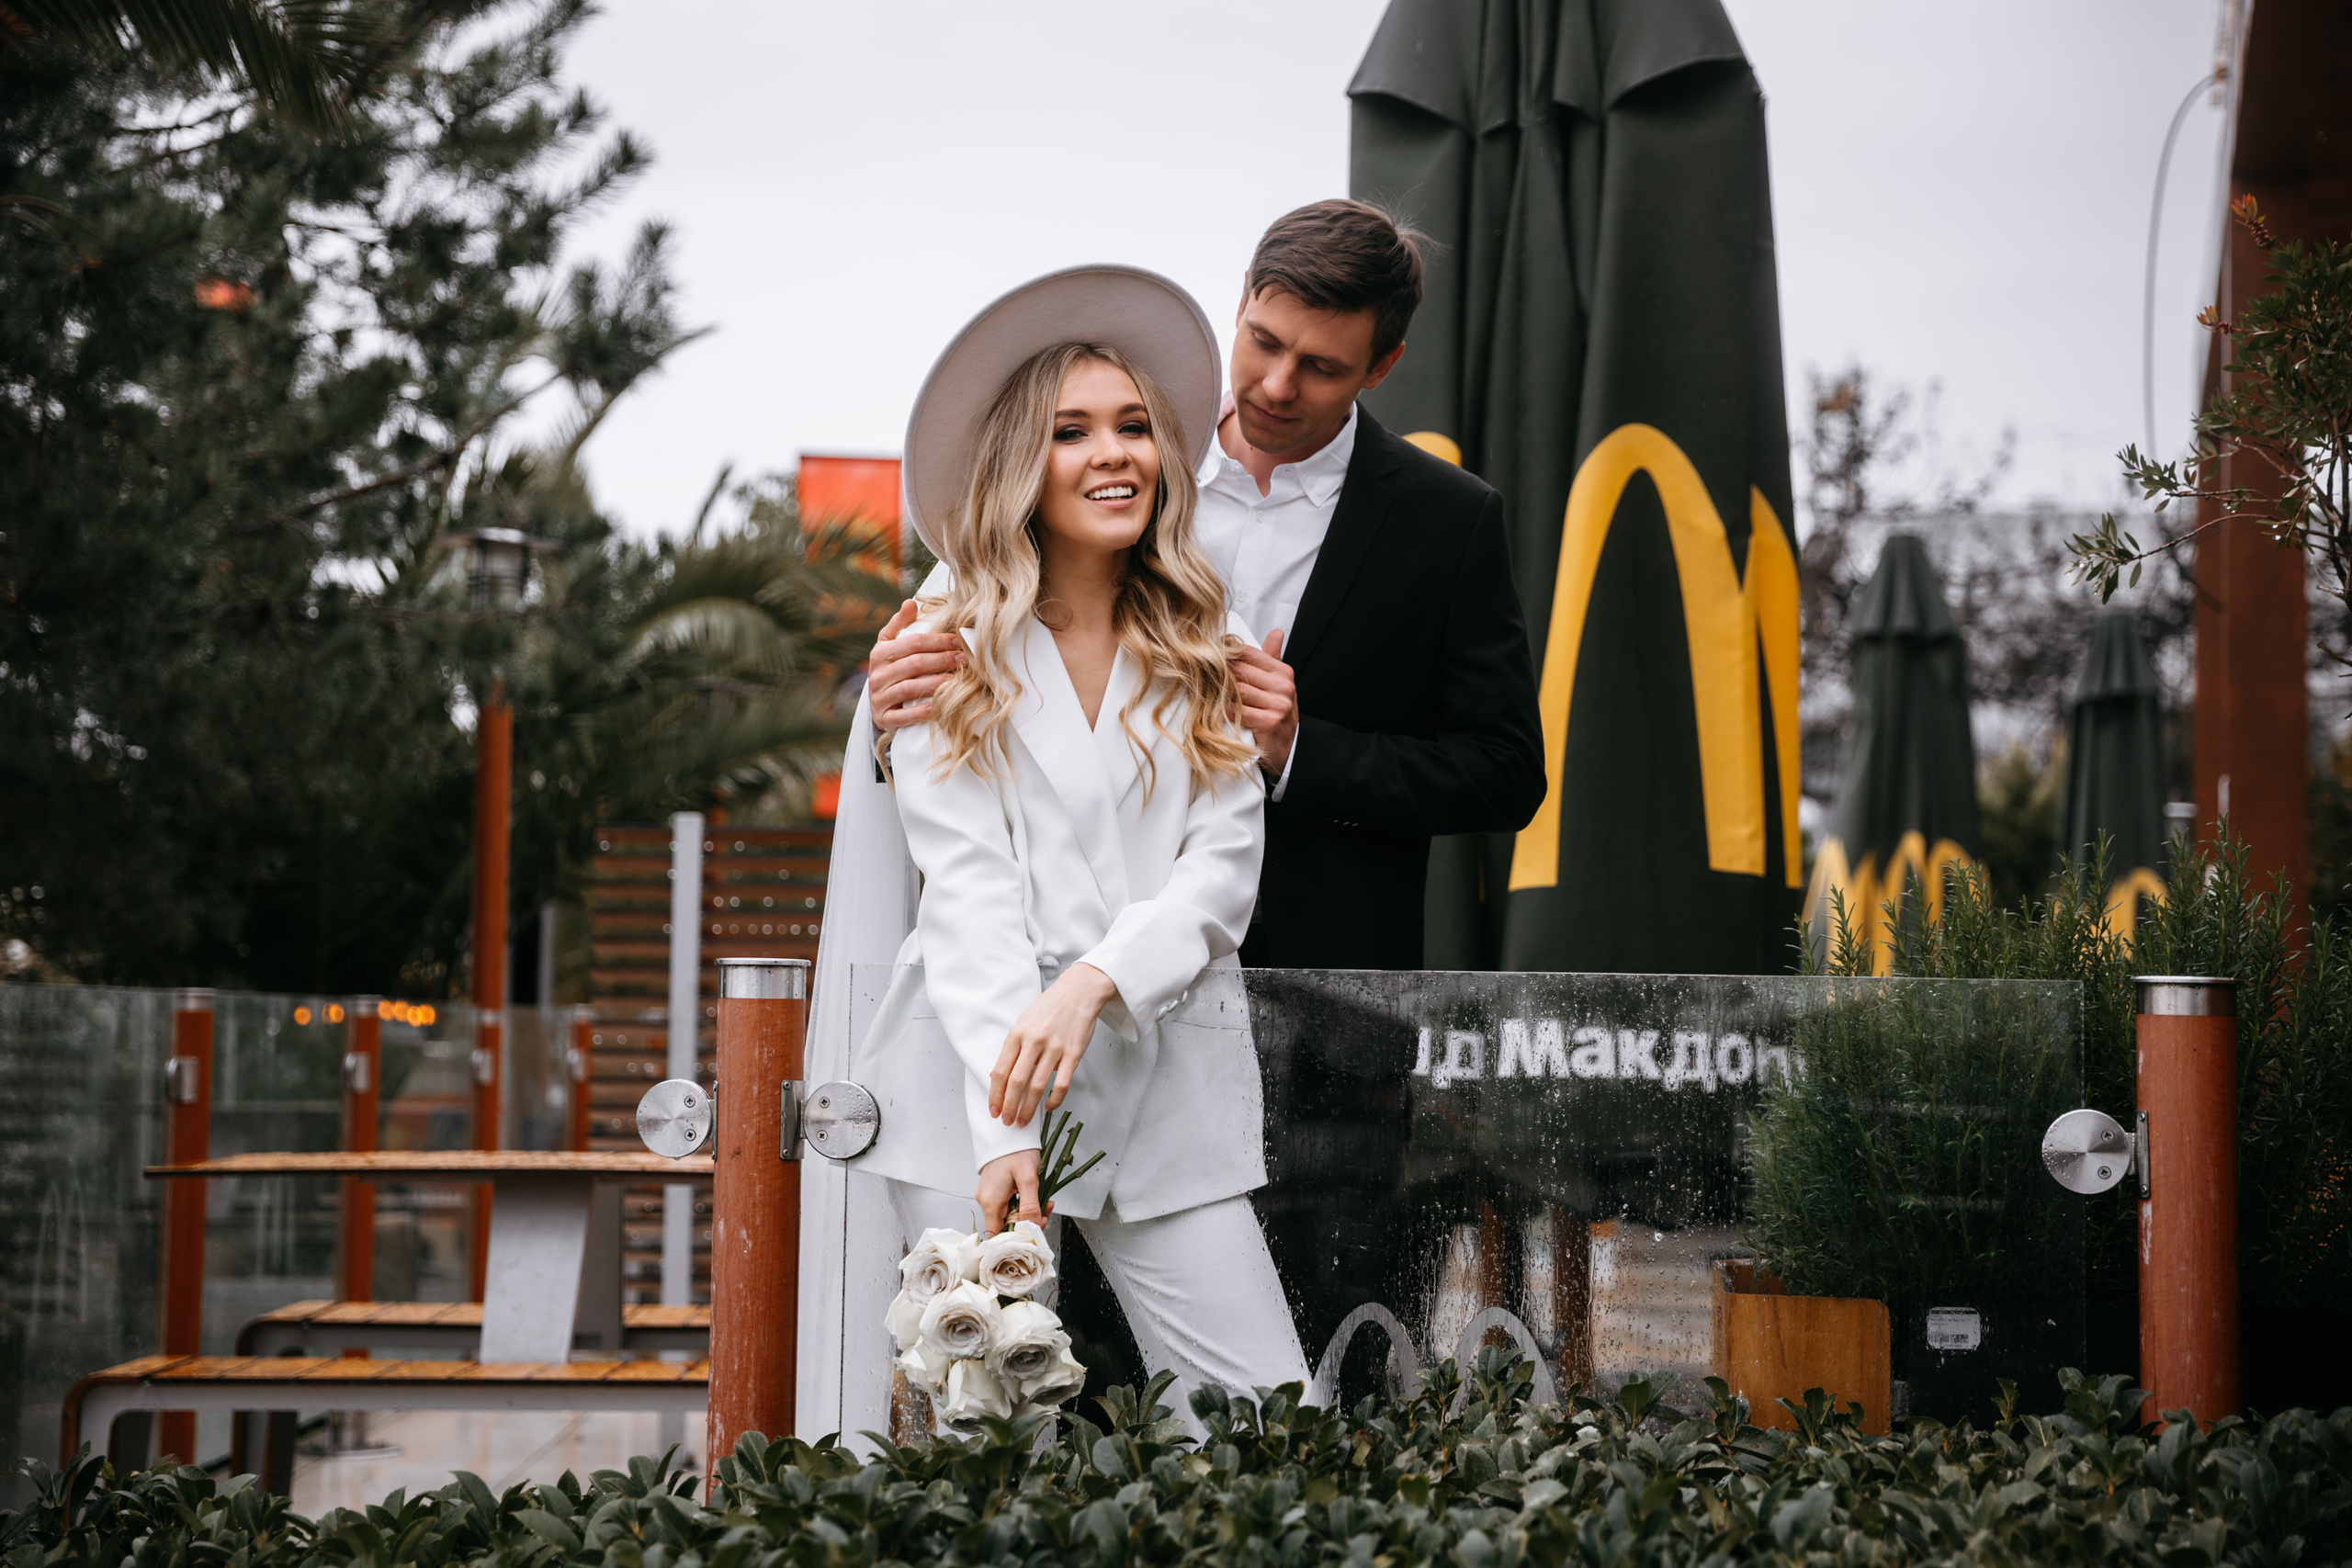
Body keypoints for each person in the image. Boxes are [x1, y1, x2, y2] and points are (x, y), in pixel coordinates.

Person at [839, 266, 1310, 1412]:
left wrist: (1094, 981)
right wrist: (1007, 1128)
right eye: (1073, 432)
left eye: (1136, 427)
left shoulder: (1211, 634)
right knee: (989, 1447)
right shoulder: (943, 638)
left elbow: (1221, 873)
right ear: (1019, 464)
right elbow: (965, 891)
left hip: (1165, 1083)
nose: (1117, 454)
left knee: (1260, 1416)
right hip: (971, 1077)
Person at [865, 200, 1546, 969]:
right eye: (1264, 343)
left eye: (1322, 367)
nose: (1278, 385)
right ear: (1244, 295)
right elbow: (956, 666)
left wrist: (1300, 751)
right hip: (1070, 967)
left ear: (1382, 365)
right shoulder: (1118, 458)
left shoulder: (1448, 520)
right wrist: (888, 715)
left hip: (1336, 978)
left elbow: (1506, 773)